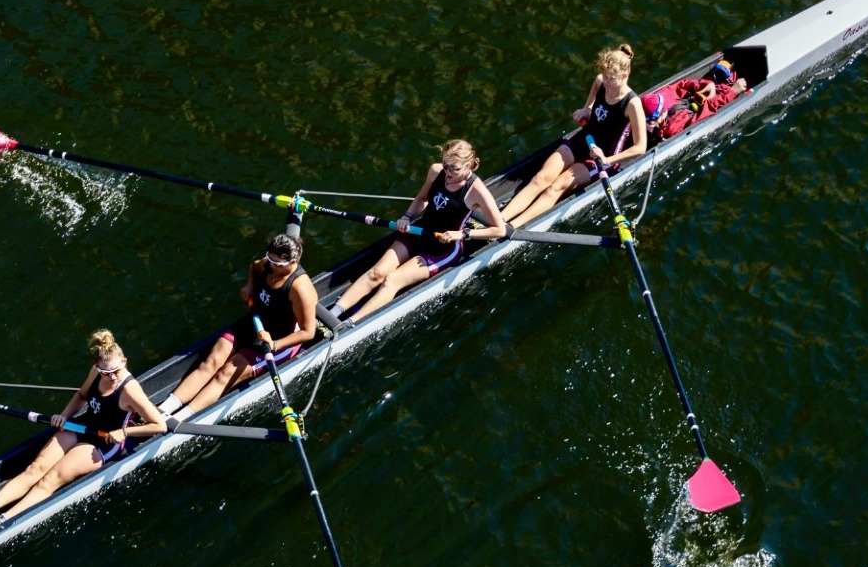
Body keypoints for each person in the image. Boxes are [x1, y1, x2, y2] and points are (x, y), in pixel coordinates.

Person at [0, 329, 166, 521]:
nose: (112, 377)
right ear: (97, 367)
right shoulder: (95, 373)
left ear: (124, 362)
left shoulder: (131, 390)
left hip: (104, 442)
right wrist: (64, 416)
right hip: (83, 426)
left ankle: (3, 521)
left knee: (50, 479)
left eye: (116, 371)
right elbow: (81, 396)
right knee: (36, 468)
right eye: (106, 373)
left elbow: (159, 425)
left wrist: (125, 432)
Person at [330, 139, 508, 324]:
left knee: (392, 280)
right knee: (377, 272)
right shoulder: (436, 171)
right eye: (445, 165)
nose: (447, 172)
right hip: (419, 231)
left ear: (469, 164)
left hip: (444, 248)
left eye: (453, 168)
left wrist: (463, 234)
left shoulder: (477, 190)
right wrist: (407, 216)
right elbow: (421, 198)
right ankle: (333, 314)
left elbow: (499, 230)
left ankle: (350, 325)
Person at [157, 234, 319, 416]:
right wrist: (249, 286)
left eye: (278, 264)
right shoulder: (268, 263)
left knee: (226, 373)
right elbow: (253, 266)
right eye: (271, 260)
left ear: (293, 261)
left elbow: (308, 332)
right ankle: (163, 409)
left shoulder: (301, 289)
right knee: (212, 359)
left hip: (277, 341)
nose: (272, 266)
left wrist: (274, 344)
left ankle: (179, 420)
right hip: (253, 323)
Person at [498, 44, 648, 227]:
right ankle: (499, 221)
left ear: (625, 76)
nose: (607, 82)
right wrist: (585, 111)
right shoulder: (600, 81)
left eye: (611, 78)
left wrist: (608, 159)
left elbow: (640, 147)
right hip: (584, 139)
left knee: (555, 187)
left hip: (602, 157)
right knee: (540, 178)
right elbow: (590, 107)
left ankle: (510, 229)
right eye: (605, 76)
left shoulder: (632, 104)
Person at [659, 60, 749, 140]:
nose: (663, 107)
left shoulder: (658, 101)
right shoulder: (672, 128)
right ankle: (731, 83)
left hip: (697, 100)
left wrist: (704, 84)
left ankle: (725, 81)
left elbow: (680, 86)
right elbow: (705, 113)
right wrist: (731, 92)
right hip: (706, 106)